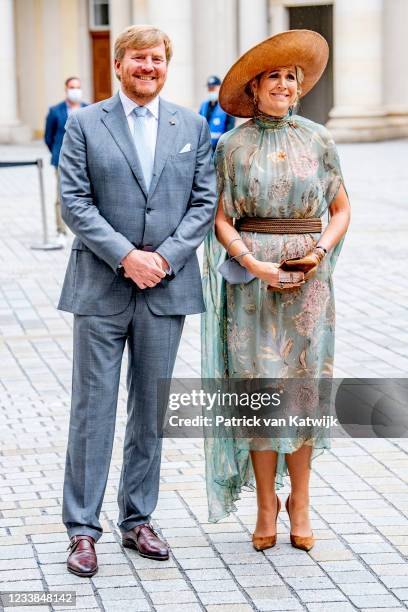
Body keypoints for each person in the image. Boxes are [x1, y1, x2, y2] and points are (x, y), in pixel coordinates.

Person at [58, 25, 216, 577]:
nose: (148, 66)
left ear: (165, 66)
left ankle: (137, 519)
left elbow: (203, 203)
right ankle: (81, 529)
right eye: (138, 58)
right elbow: (73, 202)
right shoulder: (84, 123)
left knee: (150, 411)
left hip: (166, 289)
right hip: (101, 286)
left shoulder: (192, 126)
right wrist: (127, 256)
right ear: (119, 64)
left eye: (157, 59)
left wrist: (165, 258)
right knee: (92, 410)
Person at [202, 30, 350, 552]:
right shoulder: (231, 146)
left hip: (310, 284)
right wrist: (251, 262)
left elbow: (341, 209)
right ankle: (266, 502)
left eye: (292, 77)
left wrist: (321, 253)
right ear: (254, 87)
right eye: (275, 77)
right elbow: (221, 219)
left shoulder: (319, 139)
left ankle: (301, 502)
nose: (285, 84)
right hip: (252, 285)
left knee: (303, 391)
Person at [44, 77, 88, 245]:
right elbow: (48, 136)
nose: (75, 90)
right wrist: (57, 153)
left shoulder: (89, 108)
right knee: (61, 196)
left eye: (77, 87)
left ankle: (85, 231)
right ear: (66, 89)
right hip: (62, 161)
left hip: (86, 161)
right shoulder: (55, 111)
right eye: (72, 87)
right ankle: (61, 231)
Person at [199, 75, 235, 151]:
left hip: (220, 148)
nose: (211, 91)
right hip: (205, 149)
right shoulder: (204, 106)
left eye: (213, 88)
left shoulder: (227, 107)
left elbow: (229, 130)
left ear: (220, 88)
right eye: (209, 88)